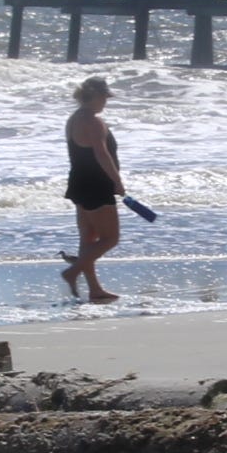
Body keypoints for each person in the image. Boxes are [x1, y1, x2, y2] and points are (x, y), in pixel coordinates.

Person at [59, 76, 129, 304]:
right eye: (104, 97)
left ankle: (95, 289)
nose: (105, 102)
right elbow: (101, 153)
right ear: (95, 96)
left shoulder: (74, 119)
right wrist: (117, 181)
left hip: (79, 181)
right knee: (110, 238)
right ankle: (73, 271)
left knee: (88, 239)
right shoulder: (93, 121)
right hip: (96, 184)